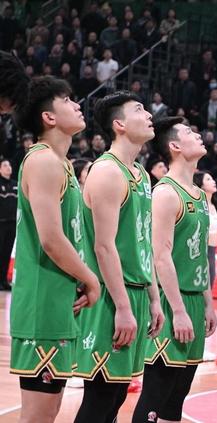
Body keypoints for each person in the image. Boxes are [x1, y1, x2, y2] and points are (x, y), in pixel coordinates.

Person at [10, 77, 100, 423]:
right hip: (42, 303)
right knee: (37, 416)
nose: (77, 105)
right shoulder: (43, 160)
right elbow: (50, 238)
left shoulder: (62, 163)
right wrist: (91, 279)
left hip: (58, 300)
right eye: (67, 100)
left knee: (48, 413)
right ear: (48, 117)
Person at [74, 92, 164, 422]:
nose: (149, 114)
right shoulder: (107, 171)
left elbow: (143, 243)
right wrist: (123, 308)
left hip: (136, 292)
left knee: (116, 397)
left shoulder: (140, 174)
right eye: (139, 109)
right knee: (100, 397)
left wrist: (154, 299)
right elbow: (104, 247)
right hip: (111, 296)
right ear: (119, 124)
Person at [132, 117, 217, 422]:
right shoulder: (166, 193)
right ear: (175, 146)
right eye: (189, 132)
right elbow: (160, 257)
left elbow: (200, 257)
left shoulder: (199, 195)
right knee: (155, 396)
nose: (198, 135)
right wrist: (178, 311)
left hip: (194, 299)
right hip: (171, 302)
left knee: (176, 399)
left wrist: (208, 304)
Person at [194, 172, 217, 289]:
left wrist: (214, 260)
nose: (213, 181)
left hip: (212, 252)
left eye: (212, 178)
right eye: (208, 179)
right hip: (200, 252)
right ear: (201, 185)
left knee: (210, 287)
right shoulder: (197, 204)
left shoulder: (214, 205)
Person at [0, 159, 17, 290]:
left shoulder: (15, 185)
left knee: (7, 253)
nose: (8, 167)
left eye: (9, 165)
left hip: (12, 224)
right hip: (1, 223)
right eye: (5, 165)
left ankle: (4, 280)